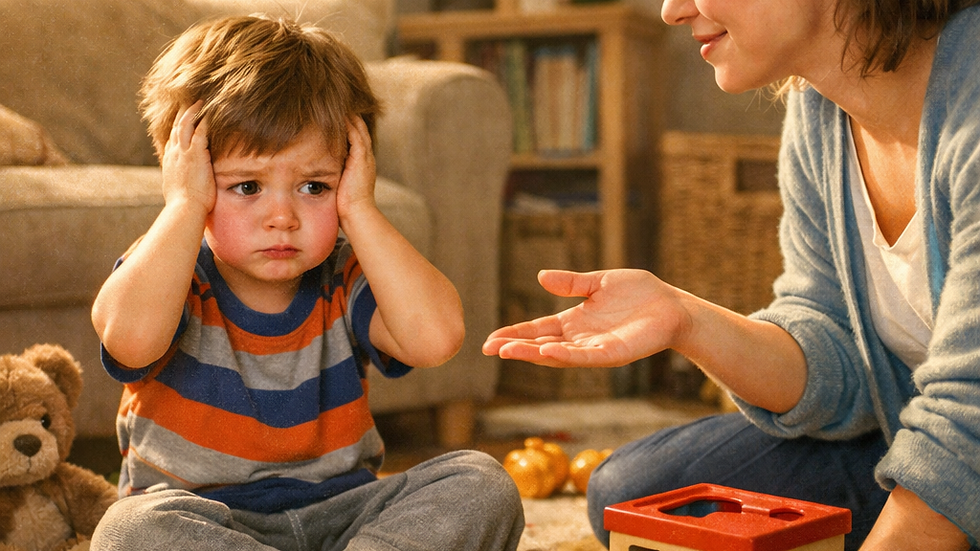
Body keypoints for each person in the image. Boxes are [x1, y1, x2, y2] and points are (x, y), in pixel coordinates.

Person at [483, 0, 980, 549]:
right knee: (637, 496)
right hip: (915, 431)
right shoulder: (820, 110)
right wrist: (688, 320)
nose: (672, 10)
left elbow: (971, 417)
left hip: (968, 438)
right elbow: (841, 356)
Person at [90, 14, 523, 551]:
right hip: (212, 523)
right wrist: (183, 206)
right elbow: (129, 340)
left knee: (481, 483)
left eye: (314, 186)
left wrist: (360, 209)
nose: (282, 217)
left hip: (343, 518)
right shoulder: (169, 269)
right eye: (247, 186)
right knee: (130, 529)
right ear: (188, 174)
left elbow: (436, 338)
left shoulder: (346, 273)